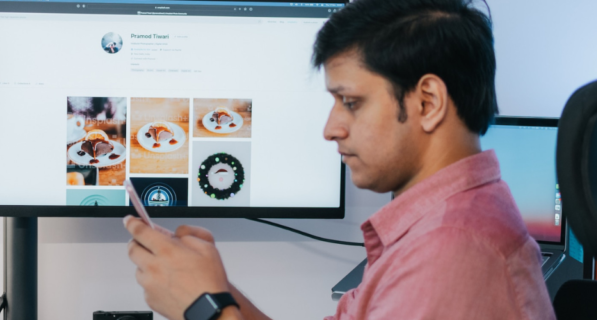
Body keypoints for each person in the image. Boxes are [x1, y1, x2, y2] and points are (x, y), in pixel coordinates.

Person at [122, 0, 556, 319]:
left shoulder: (449, 253)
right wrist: (213, 287)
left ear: (428, 102)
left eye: (351, 102)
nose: (331, 128)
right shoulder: (440, 226)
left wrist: (203, 306)